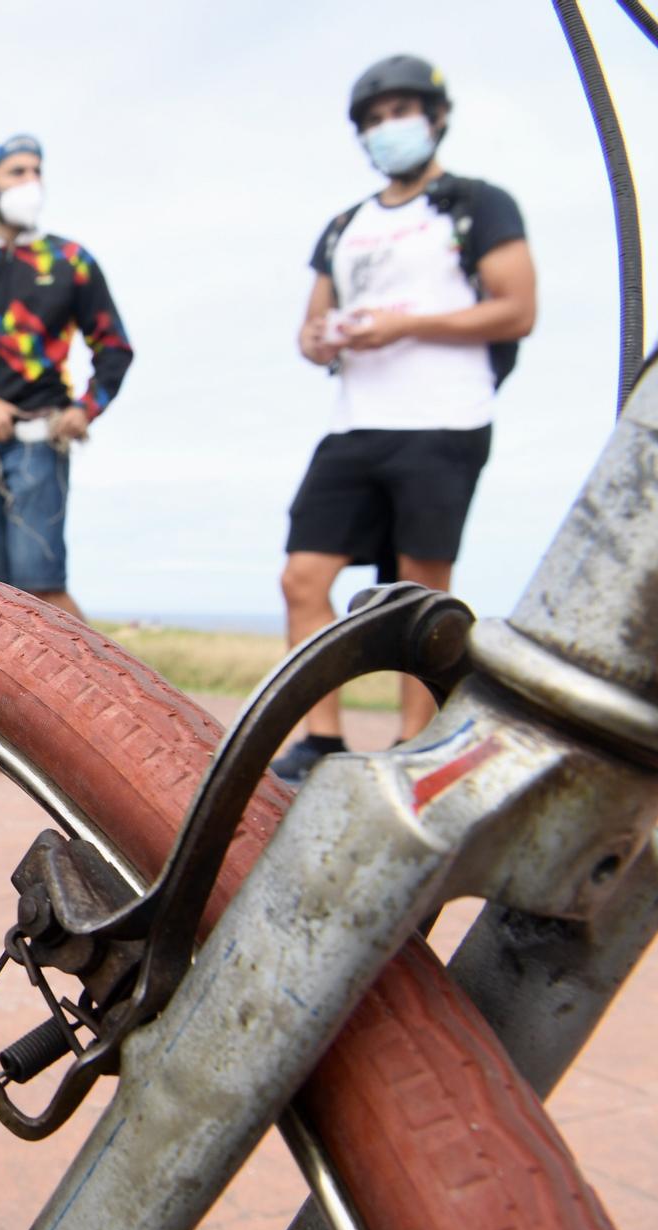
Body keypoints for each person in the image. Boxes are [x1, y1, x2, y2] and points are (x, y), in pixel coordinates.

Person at [269, 56, 536, 785]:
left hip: (443, 419)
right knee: (303, 576)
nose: (390, 128)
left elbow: (518, 307)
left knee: (420, 588)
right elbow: (309, 327)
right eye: (376, 118)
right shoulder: (345, 225)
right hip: (356, 422)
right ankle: (322, 737)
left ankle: (412, 745)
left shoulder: (476, 203)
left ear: (436, 115)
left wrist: (409, 325)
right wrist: (322, 338)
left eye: (402, 112)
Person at [0, 133, 134, 620]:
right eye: (17, 172)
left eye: (37, 172)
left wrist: (85, 408)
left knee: (42, 591)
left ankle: (103, 696)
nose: (30, 181)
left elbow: (114, 347)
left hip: (40, 445)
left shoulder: (71, 261)